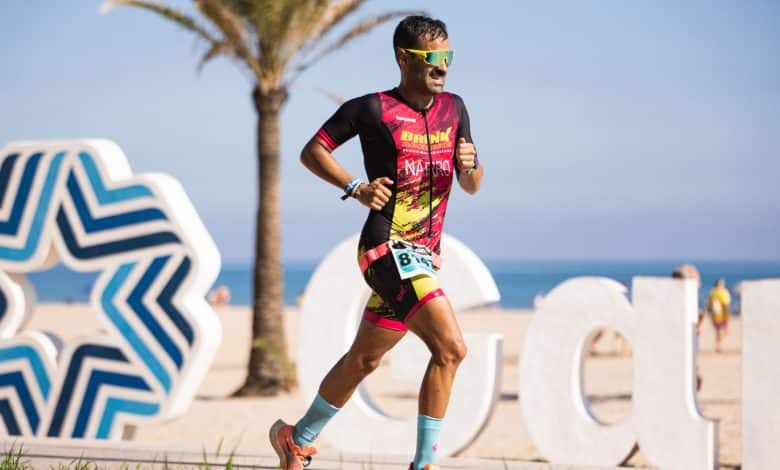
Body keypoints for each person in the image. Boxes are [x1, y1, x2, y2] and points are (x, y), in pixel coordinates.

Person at [268, 16, 483, 470]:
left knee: (364, 359)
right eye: (432, 59)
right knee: (451, 348)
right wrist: (355, 187)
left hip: (424, 254)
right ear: (404, 59)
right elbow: (313, 151)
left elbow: (473, 185)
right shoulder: (372, 109)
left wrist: (471, 165)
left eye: (448, 57)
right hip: (385, 246)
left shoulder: (455, 108)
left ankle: (297, 437)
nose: (442, 67)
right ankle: (424, 464)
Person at [671, 263, 703, 390]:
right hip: (683, 333)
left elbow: (700, 314)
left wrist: (698, 327)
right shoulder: (683, 296)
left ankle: (694, 378)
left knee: (690, 361)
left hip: (690, 332)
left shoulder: (691, 296)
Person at [706, 278, 731, 353]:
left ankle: (718, 345)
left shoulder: (712, 292)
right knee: (724, 332)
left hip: (714, 315)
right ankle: (719, 345)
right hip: (722, 315)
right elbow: (726, 305)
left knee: (718, 331)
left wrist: (710, 314)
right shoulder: (723, 292)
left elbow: (708, 305)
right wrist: (727, 316)